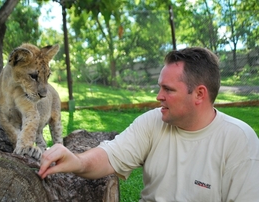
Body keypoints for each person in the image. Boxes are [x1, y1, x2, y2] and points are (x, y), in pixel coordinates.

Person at [39, 47, 259, 201]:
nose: (158, 96)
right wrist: (76, 161)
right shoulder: (155, 121)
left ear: (199, 93)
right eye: (160, 87)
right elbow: (110, 156)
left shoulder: (239, 140)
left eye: (168, 89)